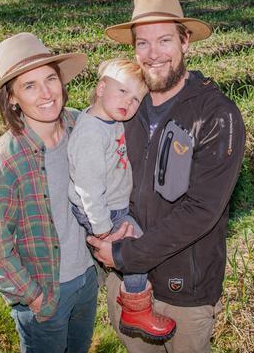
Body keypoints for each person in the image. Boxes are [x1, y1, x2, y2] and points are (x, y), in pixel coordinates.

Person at [87, 0, 247, 353]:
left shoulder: (216, 115)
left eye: (164, 40)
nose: (153, 54)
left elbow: (202, 210)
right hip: (125, 283)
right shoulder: (126, 105)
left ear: (185, 41)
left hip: (184, 291)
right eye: (143, 43)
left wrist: (128, 255)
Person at [0, 32, 98, 353]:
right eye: (29, 85)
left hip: (87, 277)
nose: (46, 93)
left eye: (50, 79)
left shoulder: (80, 126)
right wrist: (32, 294)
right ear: (12, 97)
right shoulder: (6, 159)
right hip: (46, 289)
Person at [68, 58, 176, 341]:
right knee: (136, 253)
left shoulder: (109, 120)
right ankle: (136, 310)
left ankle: (134, 297)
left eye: (137, 99)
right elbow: (88, 188)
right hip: (101, 211)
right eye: (123, 91)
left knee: (139, 247)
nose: (129, 102)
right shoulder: (91, 133)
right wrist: (103, 228)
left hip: (112, 207)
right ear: (101, 88)